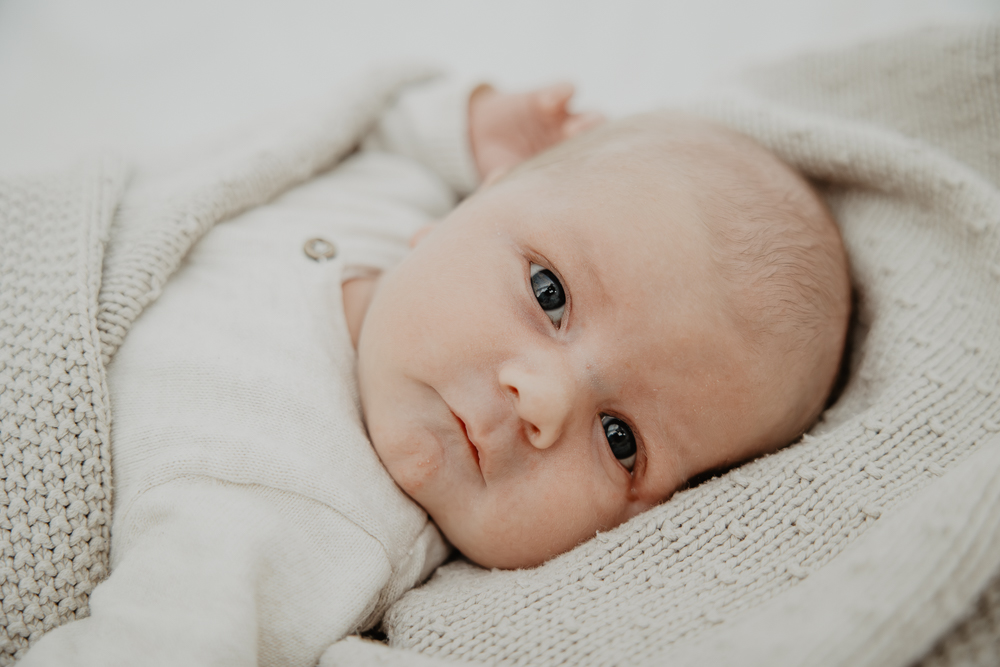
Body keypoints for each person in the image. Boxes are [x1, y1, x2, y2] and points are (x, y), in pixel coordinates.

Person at [20, 76, 848, 666]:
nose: (546, 398)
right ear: (478, 196)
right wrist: (473, 121)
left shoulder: (307, 529)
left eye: (622, 439)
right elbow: (377, 122)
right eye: (549, 291)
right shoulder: (393, 191)